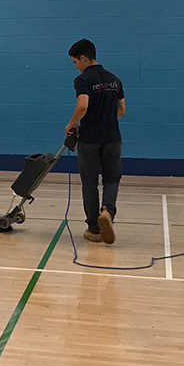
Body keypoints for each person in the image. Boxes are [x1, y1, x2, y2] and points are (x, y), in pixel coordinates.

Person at [65, 38, 125, 244]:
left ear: (83, 58)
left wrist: (72, 123)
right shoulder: (114, 79)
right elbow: (122, 110)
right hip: (112, 139)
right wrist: (104, 117)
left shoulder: (83, 80)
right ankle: (108, 210)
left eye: (75, 62)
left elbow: (83, 105)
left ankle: (94, 229)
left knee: (90, 184)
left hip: (90, 140)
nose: (76, 66)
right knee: (111, 179)